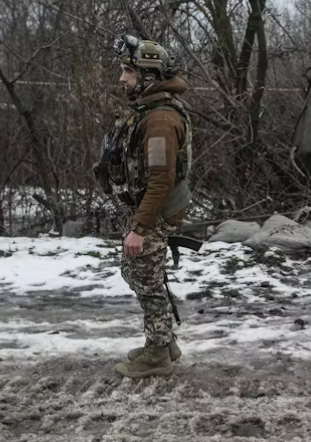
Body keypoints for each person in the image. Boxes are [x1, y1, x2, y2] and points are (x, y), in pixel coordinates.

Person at [94, 33, 193, 378]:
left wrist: (140, 228)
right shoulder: (150, 110)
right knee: (139, 273)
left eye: (129, 72)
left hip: (155, 212)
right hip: (148, 209)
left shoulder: (160, 119)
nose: (123, 79)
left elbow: (161, 180)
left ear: (149, 76)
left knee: (145, 280)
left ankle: (157, 354)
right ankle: (165, 342)